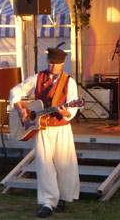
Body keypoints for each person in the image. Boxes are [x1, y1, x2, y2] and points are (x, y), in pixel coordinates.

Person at [9, 43, 79, 218]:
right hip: (42, 127)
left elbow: (73, 105)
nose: (51, 66)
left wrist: (65, 111)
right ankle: (48, 202)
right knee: (44, 165)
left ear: (62, 64)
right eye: (50, 62)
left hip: (61, 127)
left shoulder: (69, 82)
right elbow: (16, 90)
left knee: (65, 164)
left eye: (55, 63)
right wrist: (21, 109)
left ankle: (64, 196)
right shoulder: (37, 77)